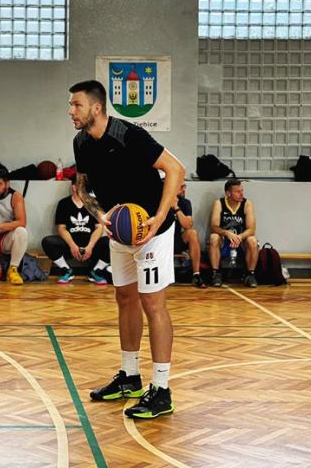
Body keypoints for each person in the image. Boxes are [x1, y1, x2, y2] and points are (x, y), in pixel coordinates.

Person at [69, 79, 185, 421]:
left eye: (76, 104)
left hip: (153, 230)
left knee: (153, 302)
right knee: (125, 298)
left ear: (96, 108)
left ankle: (161, 390)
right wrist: (99, 215)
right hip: (120, 227)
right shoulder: (80, 142)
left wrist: (160, 216)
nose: (70, 111)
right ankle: (130, 377)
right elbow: (84, 186)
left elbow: (175, 169)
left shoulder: (128, 135)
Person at [41, 177, 111, 285]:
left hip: (90, 246)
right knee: (48, 241)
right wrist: (72, 245)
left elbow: (99, 227)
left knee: (112, 242)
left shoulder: (94, 204)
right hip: (70, 245)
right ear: (74, 187)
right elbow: (61, 228)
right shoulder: (64, 203)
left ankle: (96, 271)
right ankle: (66, 269)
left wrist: (90, 246)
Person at [207, 179, 259, 288]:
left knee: (253, 240)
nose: (241, 194)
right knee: (214, 237)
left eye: (242, 190)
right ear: (228, 194)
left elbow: (251, 229)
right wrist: (226, 233)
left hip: (241, 242)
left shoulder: (247, 204)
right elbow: (214, 227)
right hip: (225, 241)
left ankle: (250, 274)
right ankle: (216, 273)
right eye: (237, 192)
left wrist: (239, 237)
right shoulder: (219, 203)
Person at [172, 182, 205, 288]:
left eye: (184, 186)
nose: (184, 190)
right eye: (181, 187)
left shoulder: (185, 203)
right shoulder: (160, 201)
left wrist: (176, 208)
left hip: (175, 240)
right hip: (160, 239)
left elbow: (188, 225)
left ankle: (196, 275)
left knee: (192, 233)